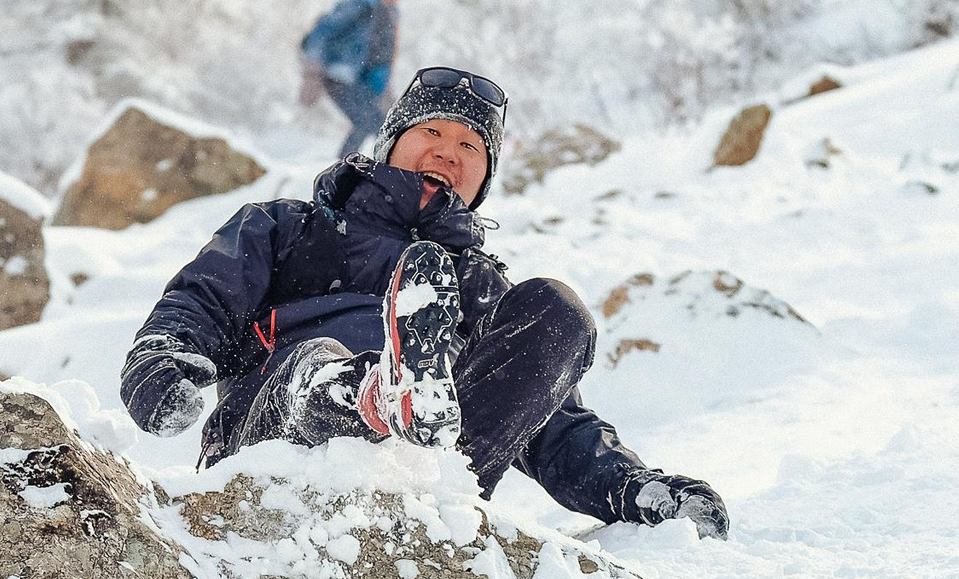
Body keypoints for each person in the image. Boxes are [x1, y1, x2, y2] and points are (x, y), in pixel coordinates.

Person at [120, 66, 731, 538]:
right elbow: (198, 303)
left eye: (470, 146)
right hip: (273, 459)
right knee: (314, 361)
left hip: (420, 495)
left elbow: (552, 427)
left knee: (555, 311)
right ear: (391, 144)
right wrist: (159, 362)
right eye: (432, 132)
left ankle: (418, 452)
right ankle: (372, 397)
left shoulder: (480, 288)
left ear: (484, 177)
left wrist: (634, 490)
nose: (448, 151)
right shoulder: (289, 229)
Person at [301, 0, 407, 156]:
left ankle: (345, 162)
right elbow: (325, 28)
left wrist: (384, 88)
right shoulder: (361, 4)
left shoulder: (390, 14)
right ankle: (345, 164)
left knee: (375, 122)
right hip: (338, 74)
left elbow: (383, 55)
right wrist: (312, 68)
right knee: (370, 121)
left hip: (362, 81)